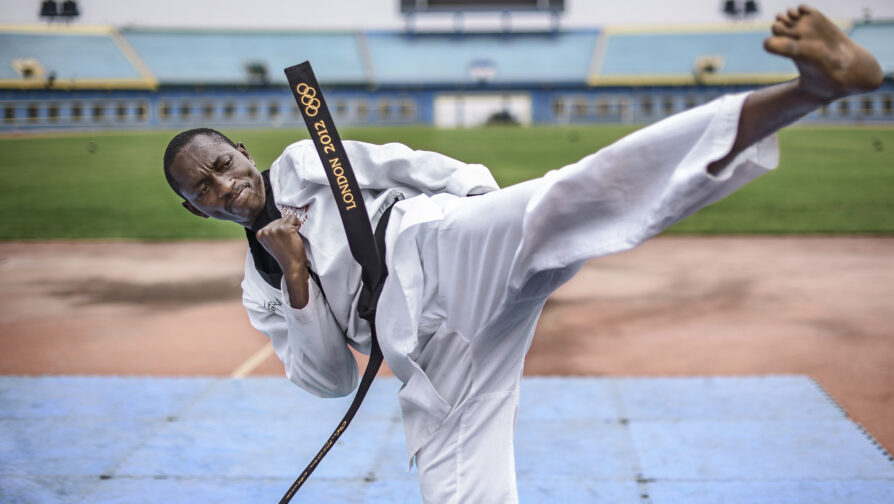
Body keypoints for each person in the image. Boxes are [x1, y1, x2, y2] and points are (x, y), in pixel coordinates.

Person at [162, 6, 882, 502]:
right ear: (193, 208)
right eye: (205, 189)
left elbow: (413, 166)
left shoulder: (306, 160)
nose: (225, 185)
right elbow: (327, 382)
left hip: (432, 246)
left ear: (241, 150)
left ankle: (809, 89)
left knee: (567, 202)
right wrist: (293, 275)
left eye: (223, 164)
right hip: (424, 356)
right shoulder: (259, 291)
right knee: (456, 490)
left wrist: (481, 210)